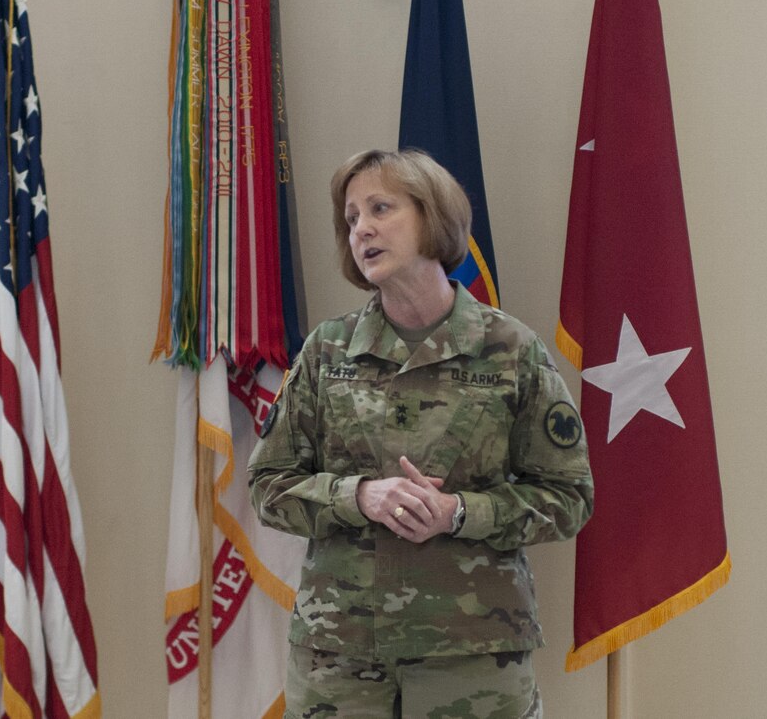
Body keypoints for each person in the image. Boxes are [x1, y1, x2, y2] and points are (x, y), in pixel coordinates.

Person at [249, 148, 593, 718]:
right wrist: (359, 496)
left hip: (475, 653)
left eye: (380, 208)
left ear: (433, 217)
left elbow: (568, 497)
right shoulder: (327, 350)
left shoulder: (511, 351)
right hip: (340, 653)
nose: (362, 229)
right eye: (352, 217)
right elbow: (267, 484)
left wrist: (460, 511)